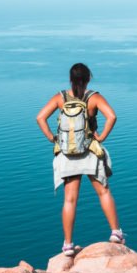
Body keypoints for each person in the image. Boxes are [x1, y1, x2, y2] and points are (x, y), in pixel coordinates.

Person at [36, 63, 124, 255]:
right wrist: (101, 137)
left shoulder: (60, 97)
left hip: (67, 153)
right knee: (103, 192)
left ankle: (67, 244)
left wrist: (53, 138)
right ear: (88, 79)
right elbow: (112, 116)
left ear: (70, 79)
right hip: (89, 150)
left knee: (70, 199)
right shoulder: (94, 97)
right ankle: (116, 233)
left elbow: (40, 117)